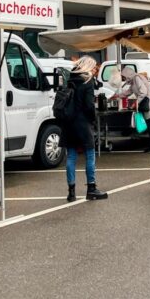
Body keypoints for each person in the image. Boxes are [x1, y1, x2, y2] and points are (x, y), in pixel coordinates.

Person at [61, 56, 108, 202]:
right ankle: (91, 188)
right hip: (83, 124)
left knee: (71, 157)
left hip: (69, 123)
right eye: (94, 67)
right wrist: (92, 119)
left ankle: (71, 191)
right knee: (90, 155)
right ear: (88, 67)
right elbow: (89, 106)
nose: (94, 71)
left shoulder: (69, 80)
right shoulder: (87, 82)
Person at [117, 66, 150, 152]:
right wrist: (117, 96)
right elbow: (128, 91)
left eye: (124, 76)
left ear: (128, 74)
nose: (123, 78)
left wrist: (136, 102)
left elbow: (143, 92)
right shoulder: (133, 81)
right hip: (147, 104)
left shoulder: (137, 78)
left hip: (149, 104)